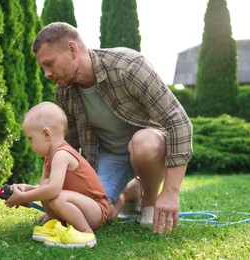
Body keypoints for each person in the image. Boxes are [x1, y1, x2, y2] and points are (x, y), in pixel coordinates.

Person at [31, 22, 193, 234]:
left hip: (149, 148)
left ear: (72, 49)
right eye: (43, 67)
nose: (46, 74)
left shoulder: (129, 66)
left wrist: (171, 192)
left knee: (143, 143)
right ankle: (130, 192)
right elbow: (64, 147)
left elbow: (178, 121)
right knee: (95, 215)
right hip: (108, 155)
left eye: (49, 64)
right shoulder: (65, 90)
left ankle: (149, 202)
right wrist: (58, 202)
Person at [5, 101, 109, 248]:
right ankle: (59, 226)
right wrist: (26, 189)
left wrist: (24, 197)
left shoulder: (62, 154)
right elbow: (45, 187)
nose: (30, 144)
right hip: (81, 206)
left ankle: (86, 233)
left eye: (31, 139)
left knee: (54, 196)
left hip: (95, 210)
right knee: (45, 186)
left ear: (46, 134)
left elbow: (53, 190)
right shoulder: (49, 157)